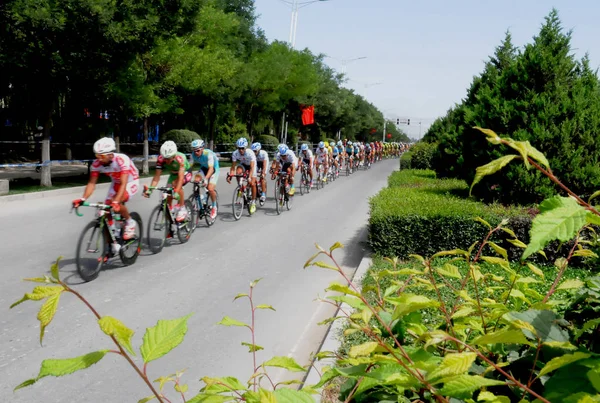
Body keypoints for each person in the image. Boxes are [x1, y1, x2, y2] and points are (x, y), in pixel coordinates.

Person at [72, 137, 140, 252]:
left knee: (115, 201)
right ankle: (113, 240)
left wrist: (116, 201)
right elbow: (91, 183)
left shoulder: (122, 159)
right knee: (105, 209)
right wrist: (83, 198)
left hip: (130, 181)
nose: (98, 159)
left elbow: (123, 183)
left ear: (110, 154)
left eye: (101, 156)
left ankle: (130, 221)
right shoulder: (97, 164)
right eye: (97, 156)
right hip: (116, 183)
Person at [144, 140, 191, 222]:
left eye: (169, 159)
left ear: (174, 155)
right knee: (167, 194)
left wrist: (176, 191)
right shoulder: (161, 159)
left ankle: (182, 209)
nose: (167, 161)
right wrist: (150, 190)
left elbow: (180, 178)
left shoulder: (180, 158)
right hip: (173, 174)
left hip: (185, 173)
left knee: (176, 184)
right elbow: (156, 177)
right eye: (165, 159)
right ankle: (171, 221)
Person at [190, 138, 219, 220]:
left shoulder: (208, 154)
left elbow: (211, 169)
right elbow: (189, 167)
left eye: (198, 150)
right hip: (204, 168)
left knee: (210, 188)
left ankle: (214, 207)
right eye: (194, 150)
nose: (196, 152)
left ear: (202, 148)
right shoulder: (193, 154)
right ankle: (200, 199)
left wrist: (206, 179)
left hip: (213, 169)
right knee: (196, 180)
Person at [227, 137, 257, 214]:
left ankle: (253, 202)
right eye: (239, 148)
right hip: (243, 164)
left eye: (242, 148)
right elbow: (233, 167)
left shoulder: (250, 153)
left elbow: (252, 167)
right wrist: (230, 175)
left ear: (245, 147)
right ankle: (240, 186)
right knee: (238, 172)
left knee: (252, 183)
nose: (240, 150)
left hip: (251, 166)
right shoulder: (235, 153)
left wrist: (250, 177)